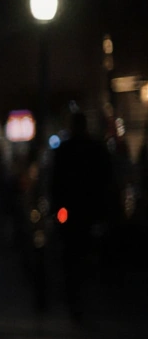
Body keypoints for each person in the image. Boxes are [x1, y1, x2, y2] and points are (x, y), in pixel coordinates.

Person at [49, 111, 115, 323]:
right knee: (85, 257)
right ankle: (84, 301)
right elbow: (106, 182)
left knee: (72, 259)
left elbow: (56, 184)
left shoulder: (66, 150)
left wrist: (58, 210)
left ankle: (77, 301)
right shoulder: (95, 150)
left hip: (73, 212)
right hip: (88, 212)